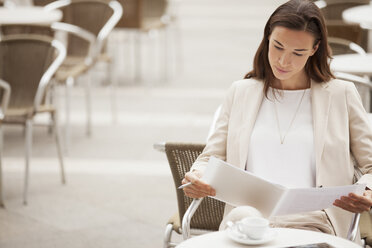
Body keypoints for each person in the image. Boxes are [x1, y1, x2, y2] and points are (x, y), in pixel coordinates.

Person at [180, 0, 372, 241]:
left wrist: (367, 190)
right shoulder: (241, 92)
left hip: (314, 223)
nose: (283, 61)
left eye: (298, 53)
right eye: (278, 47)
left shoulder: (340, 94)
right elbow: (210, 158)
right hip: (246, 223)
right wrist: (197, 176)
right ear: (267, 38)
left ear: (315, 49)